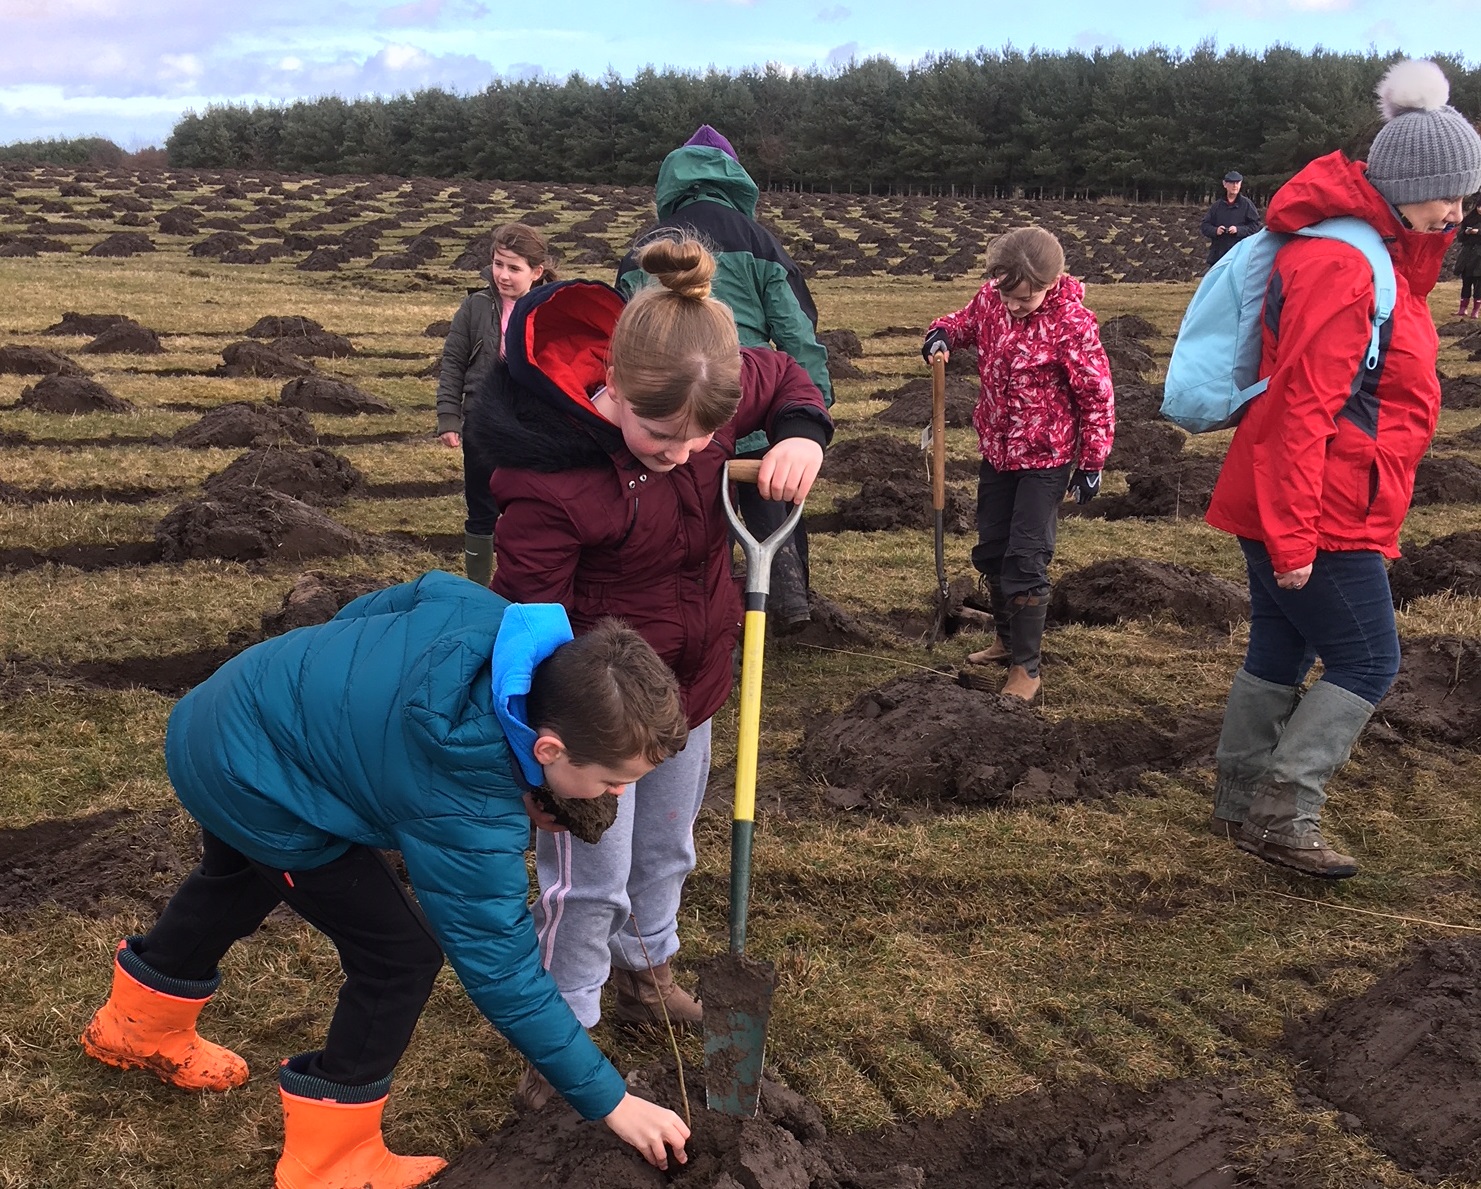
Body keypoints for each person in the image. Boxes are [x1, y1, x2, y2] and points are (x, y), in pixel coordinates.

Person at [78, 572, 693, 1187]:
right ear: (548, 750)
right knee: (399, 954)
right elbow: (502, 969)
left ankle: (136, 1030)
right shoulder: (464, 802)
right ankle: (331, 1160)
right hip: (253, 773)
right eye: (616, 780)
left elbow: (401, 600)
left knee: (240, 878)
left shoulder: (494, 623)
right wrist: (613, 1101)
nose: (619, 795)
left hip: (231, 707)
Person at [469, 234, 831, 1103]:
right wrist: (544, 759)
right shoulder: (549, 482)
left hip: (692, 685)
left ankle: (644, 972)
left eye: (707, 434)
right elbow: (520, 632)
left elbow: (783, 375)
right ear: (615, 390)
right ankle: (566, 1034)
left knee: (667, 846)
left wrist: (801, 436)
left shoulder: (706, 386)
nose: (684, 450)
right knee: (587, 878)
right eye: (662, 433)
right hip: (595, 716)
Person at [1205, 59, 1481, 878]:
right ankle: (1284, 815)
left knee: (1279, 647)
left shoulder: (1373, 252)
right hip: (1319, 509)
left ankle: (1237, 803)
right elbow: (1300, 409)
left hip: (1306, 496)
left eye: (1465, 196)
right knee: (1368, 659)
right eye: (1447, 195)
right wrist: (1292, 538)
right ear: (1401, 185)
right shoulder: (1342, 265)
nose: (1458, 212)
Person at [616, 125, 833, 631]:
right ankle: (785, 603)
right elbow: (798, 333)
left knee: (683, 517)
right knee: (770, 501)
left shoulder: (647, 251)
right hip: (753, 405)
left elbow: (625, 335)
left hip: (672, 419)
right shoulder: (759, 241)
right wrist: (807, 419)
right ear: (738, 179)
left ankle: (687, 612)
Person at [922, 227, 1114, 702]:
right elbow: (964, 322)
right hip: (998, 451)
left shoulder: (1072, 322)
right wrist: (940, 334)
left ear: (1053, 282)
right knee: (993, 550)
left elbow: (1096, 396)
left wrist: (1092, 461)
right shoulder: (992, 300)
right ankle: (1006, 640)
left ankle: (1026, 667)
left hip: (1046, 458)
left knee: (1027, 557)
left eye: (1025, 299)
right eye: (1007, 295)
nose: (1013, 306)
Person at [436, 223, 555, 586]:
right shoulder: (474, 306)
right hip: (481, 422)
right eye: (498, 264)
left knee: (529, 506)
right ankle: (479, 588)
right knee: (482, 505)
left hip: (532, 425)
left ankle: (525, 581)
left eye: (513, 267)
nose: (502, 275)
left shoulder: (551, 308)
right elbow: (453, 361)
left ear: (536, 272)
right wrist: (448, 417)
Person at [1201, 170, 1263, 266]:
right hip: (1218, 256)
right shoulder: (1216, 206)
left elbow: (1256, 226)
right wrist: (1215, 230)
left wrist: (1238, 230)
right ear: (1225, 184)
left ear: (1240, 184)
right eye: (1232, 183)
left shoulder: (1247, 205)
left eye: (1237, 183)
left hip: (1239, 255)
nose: (1235, 186)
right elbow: (1205, 226)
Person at [1455, 193, 1481, 317]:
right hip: (1467, 255)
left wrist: (1479, 232)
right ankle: (1462, 308)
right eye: (1479, 206)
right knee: (1466, 282)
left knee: (1479, 284)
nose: (1480, 209)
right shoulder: (1469, 219)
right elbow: (1459, 237)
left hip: (1480, 258)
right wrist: (1466, 232)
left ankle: (1475, 310)